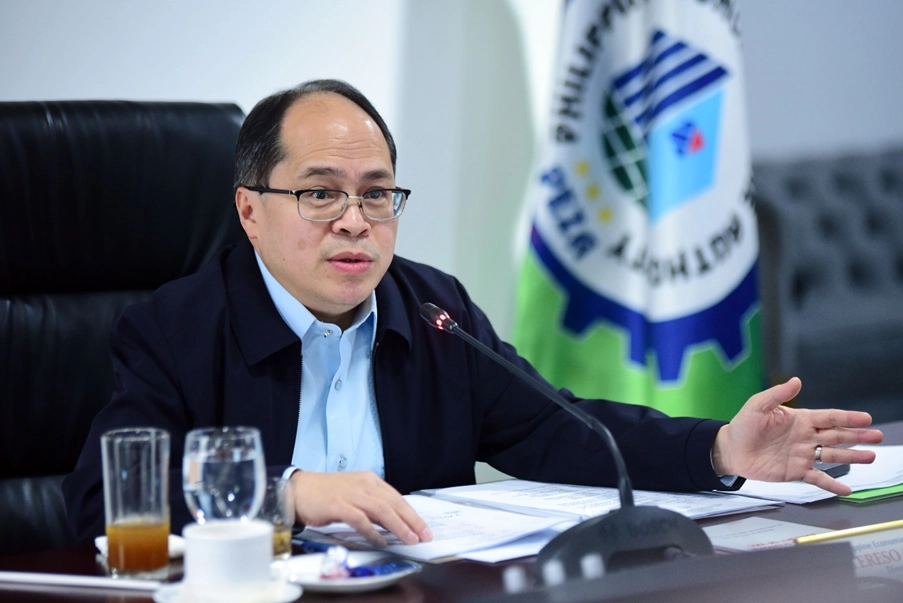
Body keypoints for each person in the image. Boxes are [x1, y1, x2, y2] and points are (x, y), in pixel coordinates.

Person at [63, 79, 883, 547]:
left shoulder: (431, 310)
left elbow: (562, 429)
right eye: (319, 194)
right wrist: (289, 493)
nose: (354, 221)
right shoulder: (175, 328)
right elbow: (103, 497)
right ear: (250, 210)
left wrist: (715, 447)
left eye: (376, 194)